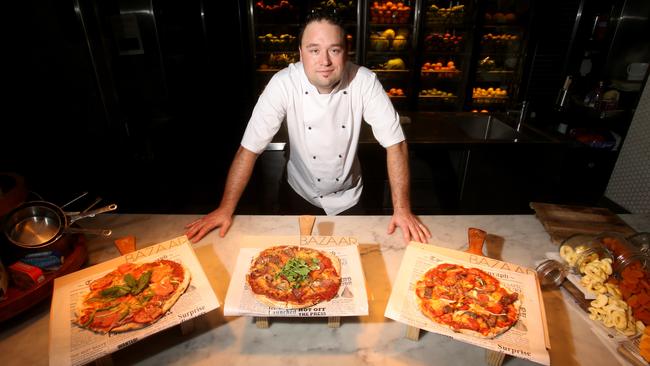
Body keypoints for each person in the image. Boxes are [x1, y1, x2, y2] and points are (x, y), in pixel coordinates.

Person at [185, 11, 431, 244]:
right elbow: (249, 149)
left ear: (346, 52)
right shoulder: (283, 84)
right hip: (298, 194)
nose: (324, 61)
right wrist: (225, 208)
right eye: (314, 50)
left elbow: (395, 144)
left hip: (349, 198)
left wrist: (402, 210)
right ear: (301, 53)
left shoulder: (365, 81)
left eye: (334, 50)